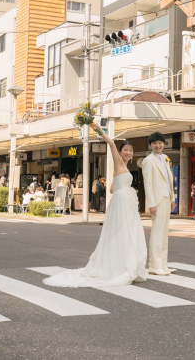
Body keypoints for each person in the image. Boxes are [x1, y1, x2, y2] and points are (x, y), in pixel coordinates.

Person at [43, 123, 148, 287]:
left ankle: (123, 264)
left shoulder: (122, 168)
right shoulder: (119, 162)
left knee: (125, 233)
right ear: (120, 152)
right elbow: (111, 143)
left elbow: (113, 187)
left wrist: (125, 188)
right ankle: (123, 266)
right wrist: (97, 128)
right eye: (125, 150)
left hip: (124, 202)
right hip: (122, 204)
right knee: (123, 232)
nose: (128, 153)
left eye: (130, 151)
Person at [141, 132, 176, 275]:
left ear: (163, 144)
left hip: (166, 198)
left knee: (164, 233)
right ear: (150, 145)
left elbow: (168, 180)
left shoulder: (165, 158)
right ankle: (154, 266)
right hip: (157, 200)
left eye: (160, 142)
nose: (157, 145)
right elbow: (147, 184)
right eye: (154, 143)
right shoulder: (148, 161)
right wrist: (151, 204)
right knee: (157, 233)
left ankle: (163, 264)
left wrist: (172, 198)